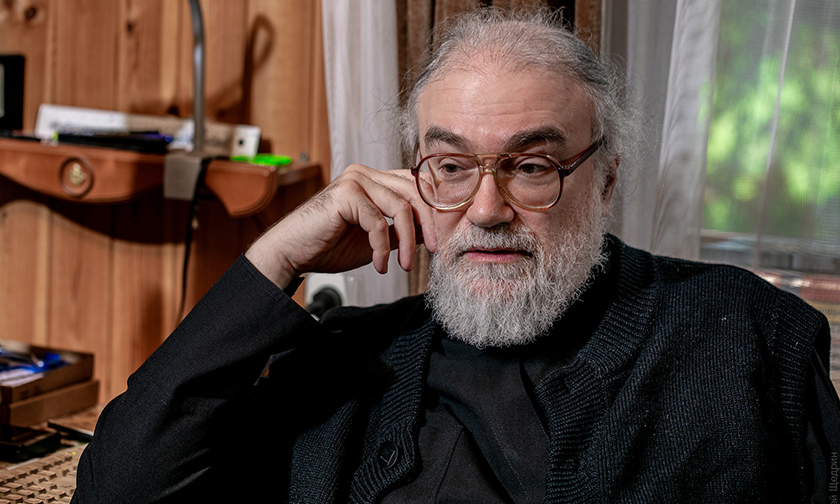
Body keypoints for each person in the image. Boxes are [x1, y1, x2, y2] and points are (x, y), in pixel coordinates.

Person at [72, 7, 838, 503]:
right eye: (451, 165)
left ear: (605, 180)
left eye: (531, 166)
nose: (487, 209)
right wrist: (275, 259)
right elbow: (117, 491)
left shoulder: (749, 332)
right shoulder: (349, 359)